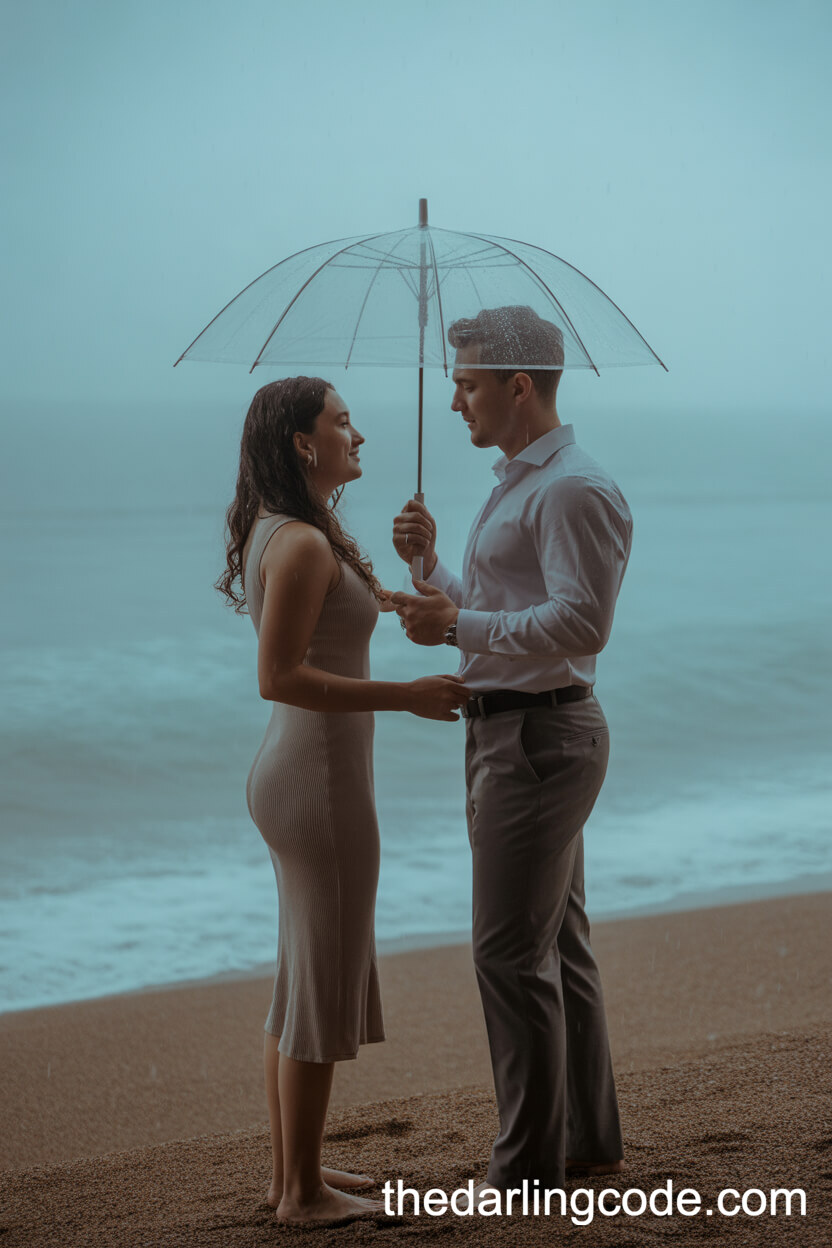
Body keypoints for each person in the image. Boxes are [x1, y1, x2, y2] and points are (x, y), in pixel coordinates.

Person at [217, 376, 470, 1225]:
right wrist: (409, 694)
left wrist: (403, 592)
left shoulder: (298, 530)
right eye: (341, 422)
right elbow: (279, 676)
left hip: (301, 776)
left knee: (300, 982)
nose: (358, 435)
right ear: (301, 442)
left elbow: (330, 621)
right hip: (318, 785)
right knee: (319, 984)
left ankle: (294, 1174)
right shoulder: (302, 545)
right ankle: (301, 1195)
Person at [390, 306, 630, 1196]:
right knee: (557, 945)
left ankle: (525, 1169)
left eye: (467, 384)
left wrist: (456, 618)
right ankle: (586, 1145)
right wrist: (433, 575)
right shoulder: (519, 481)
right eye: (454, 384)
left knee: (505, 954)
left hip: (537, 739)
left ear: (517, 386)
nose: (456, 402)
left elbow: (580, 622)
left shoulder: (572, 487)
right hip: (517, 730)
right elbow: (504, 613)